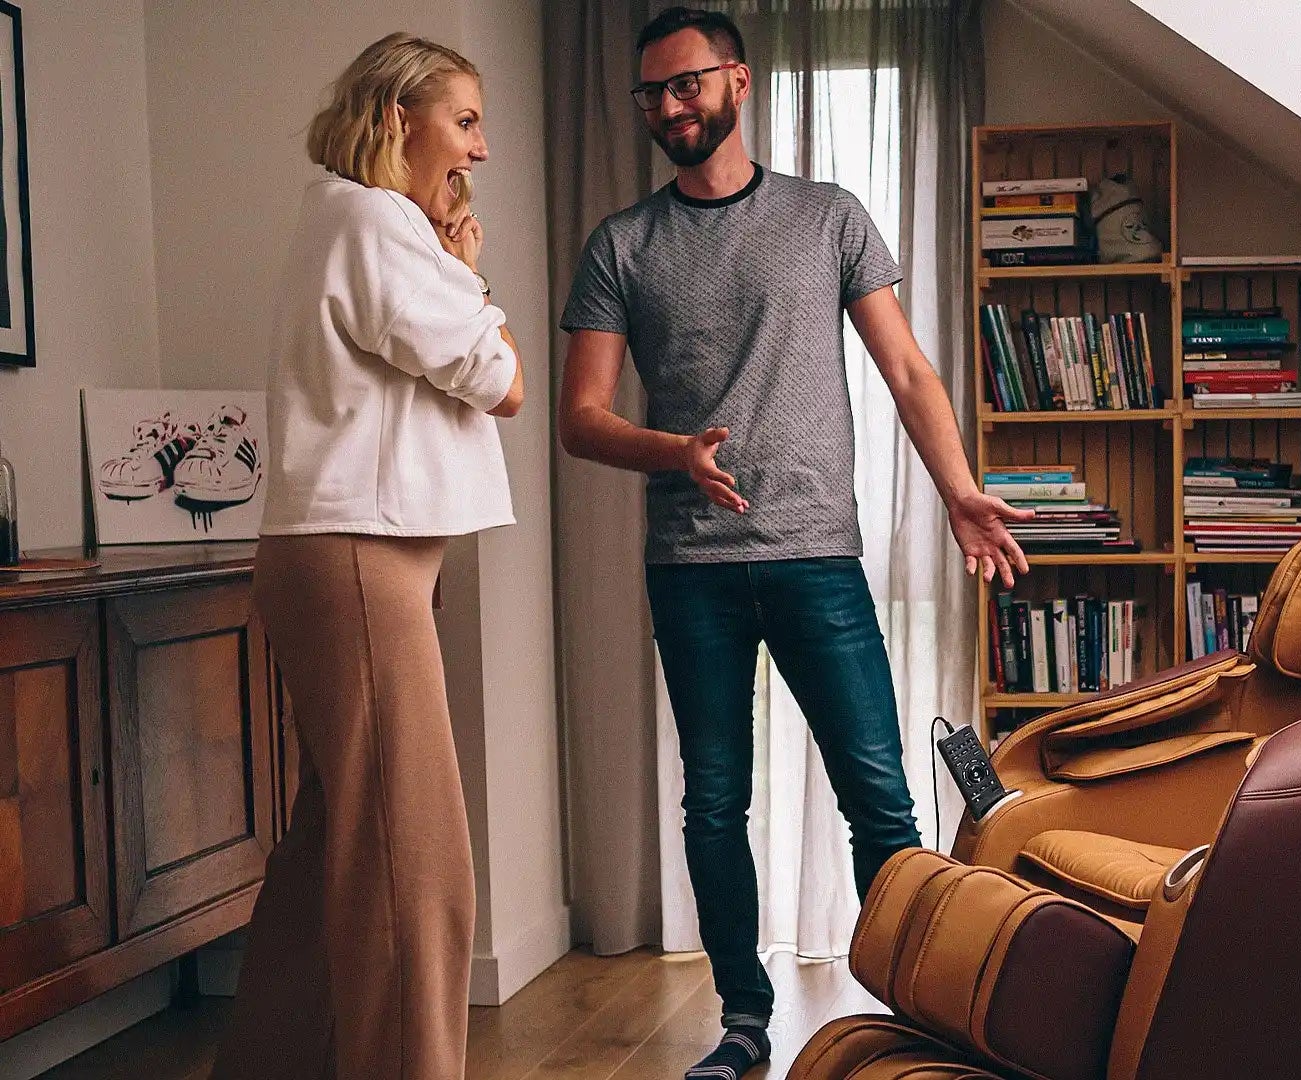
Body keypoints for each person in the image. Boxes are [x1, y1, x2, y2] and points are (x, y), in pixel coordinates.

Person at [557, 7, 1031, 1078]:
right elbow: (581, 419)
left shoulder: (829, 217)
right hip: (691, 571)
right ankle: (743, 1024)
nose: (667, 108)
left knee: (881, 796)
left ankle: (922, 1009)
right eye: (650, 94)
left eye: (684, 85)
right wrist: (676, 453)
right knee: (714, 801)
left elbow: (908, 369)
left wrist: (957, 492)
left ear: (738, 81)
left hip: (819, 555)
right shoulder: (621, 246)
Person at [213, 32, 524, 1080]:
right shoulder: (374, 216)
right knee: (413, 864)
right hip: (358, 562)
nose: (478, 150)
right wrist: (468, 279)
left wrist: (449, 268)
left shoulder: (353, 222)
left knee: (336, 849)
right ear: (399, 120)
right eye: (466, 120)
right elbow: (501, 378)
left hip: (345, 556)